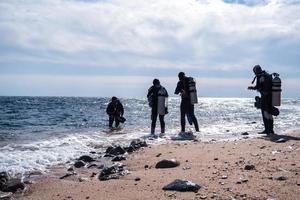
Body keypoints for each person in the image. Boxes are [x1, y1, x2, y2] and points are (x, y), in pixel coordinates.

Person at [248, 65, 274, 134]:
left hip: (265, 97)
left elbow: (258, 87)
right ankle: (271, 129)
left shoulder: (260, 76)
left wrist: (252, 88)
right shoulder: (267, 75)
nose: (255, 73)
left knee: (265, 112)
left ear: (256, 71)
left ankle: (267, 130)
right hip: (271, 97)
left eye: (254, 71)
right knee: (269, 112)